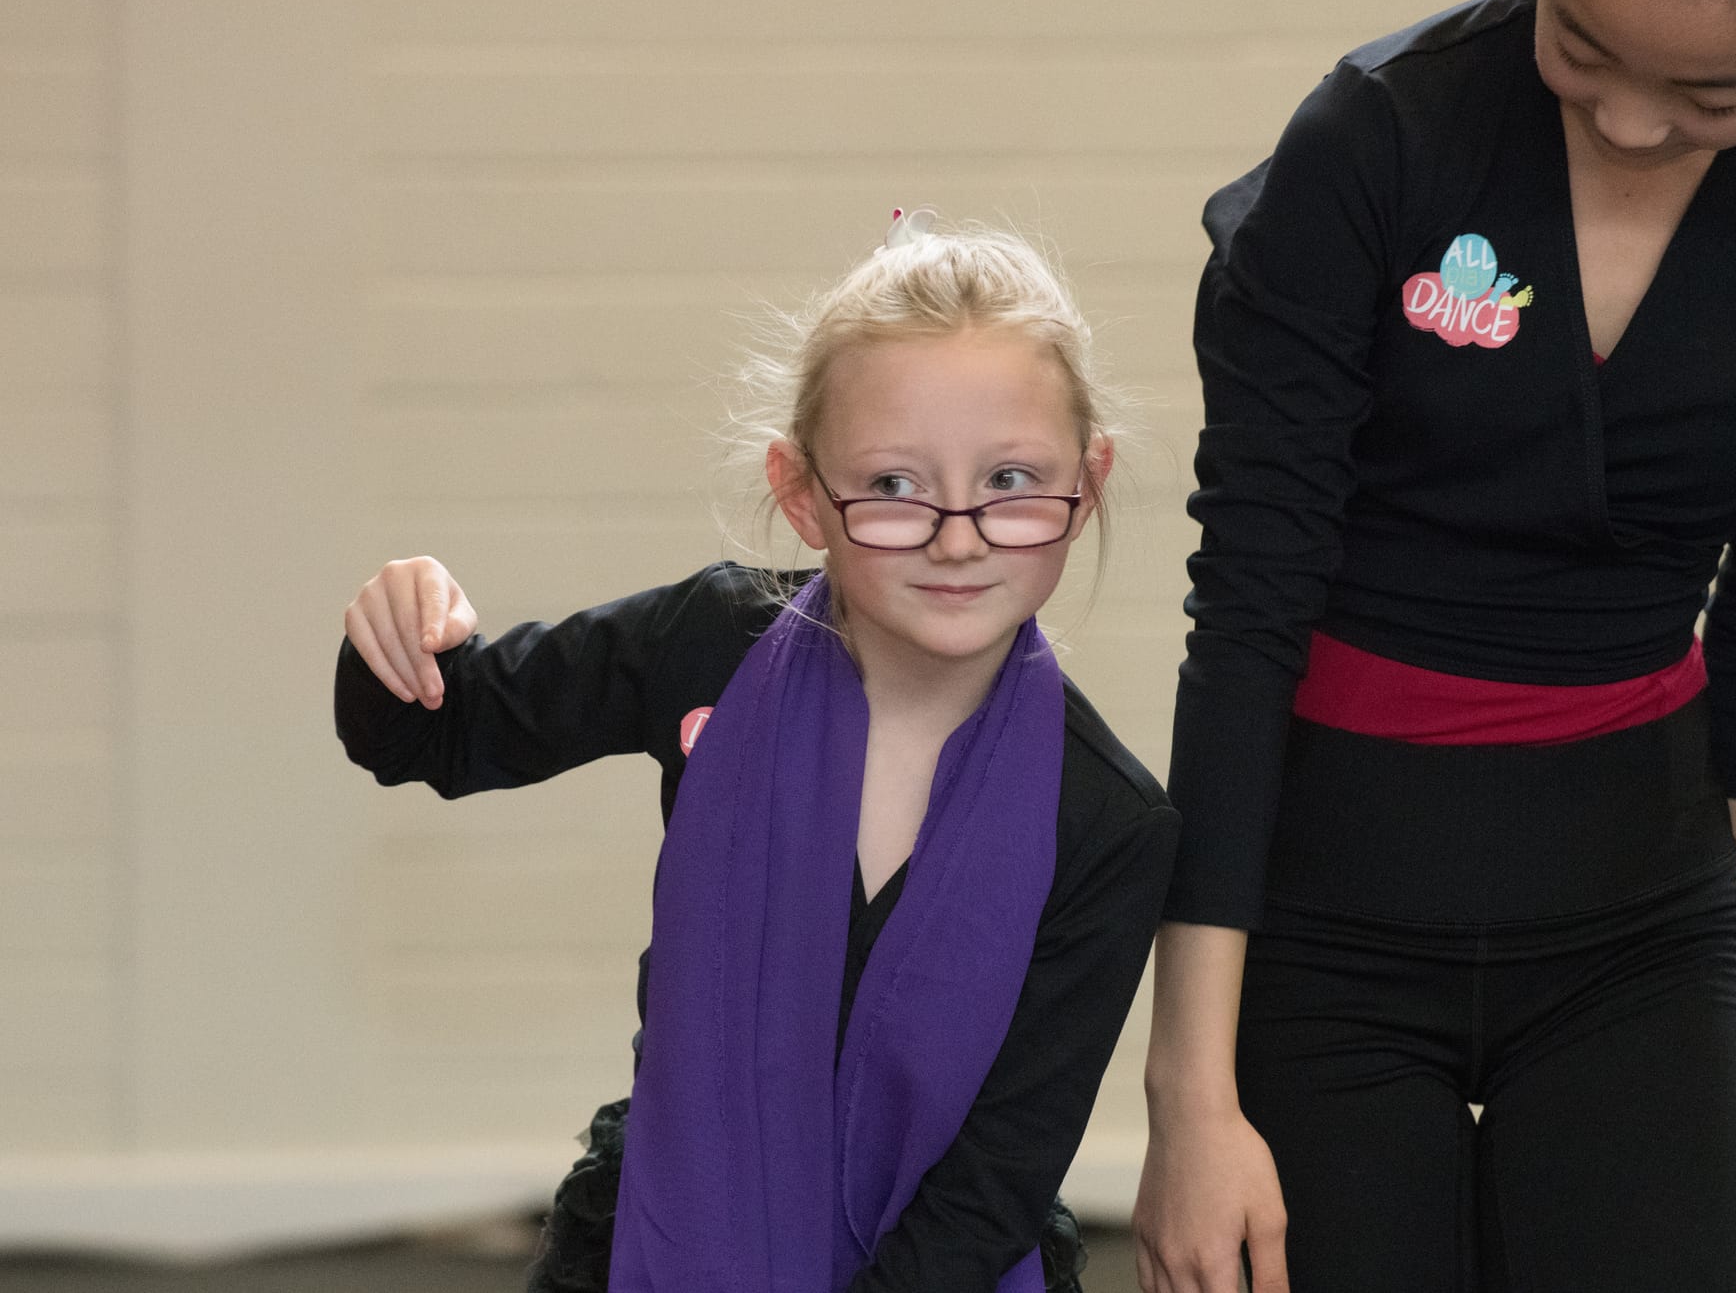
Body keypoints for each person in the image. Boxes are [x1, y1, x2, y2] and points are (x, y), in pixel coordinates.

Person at [1132, 0, 1736, 1290]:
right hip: (1326, 911)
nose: (1629, 123)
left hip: (1641, 919)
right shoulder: (1379, 137)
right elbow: (1245, 610)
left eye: (1713, 93)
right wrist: (1188, 1093)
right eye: (1580, 44)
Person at [335, 215, 1179, 1292]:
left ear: (1088, 483)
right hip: (654, 1240)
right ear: (800, 493)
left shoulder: (1108, 821)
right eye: (893, 485)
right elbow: (432, 732)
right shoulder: (708, 644)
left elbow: (992, 1181)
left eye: (1010, 478)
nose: (957, 535)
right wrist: (400, 625)